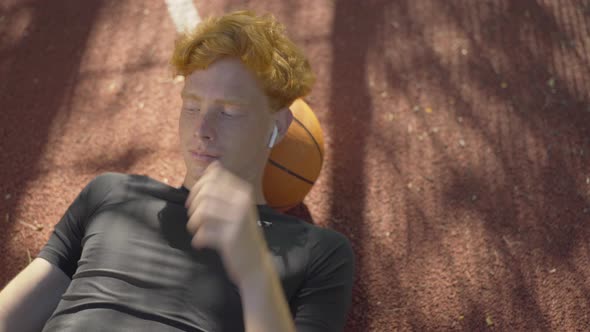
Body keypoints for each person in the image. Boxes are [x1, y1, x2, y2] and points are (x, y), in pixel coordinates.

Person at [0, 10, 355, 332]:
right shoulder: (110, 193)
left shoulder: (319, 252)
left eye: (229, 111)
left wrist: (253, 270)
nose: (202, 128)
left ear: (276, 125)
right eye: (191, 106)